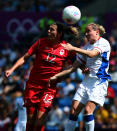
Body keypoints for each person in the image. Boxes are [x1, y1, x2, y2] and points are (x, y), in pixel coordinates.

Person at [5, 22, 79, 131]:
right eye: (49, 29)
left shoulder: (67, 48)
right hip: (33, 85)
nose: (49, 31)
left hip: (49, 88)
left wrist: (81, 69)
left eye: (52, 29)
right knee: (30, 119)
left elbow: (76, 63)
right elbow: (25, 57)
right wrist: (12, 69)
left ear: (59, 33)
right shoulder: (40, 43)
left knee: (40, 119)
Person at [49, 23, 111, 131]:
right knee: (73, 110)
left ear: (97, 32)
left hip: (99, 82)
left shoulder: (103, 43)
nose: (86, 34)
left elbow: (92, 54)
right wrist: (55, 76)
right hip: (86, 81)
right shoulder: (86, 47)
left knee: (88, 110)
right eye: (85, 32)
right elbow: (73, 68)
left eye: (88, 31)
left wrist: (73, 48)